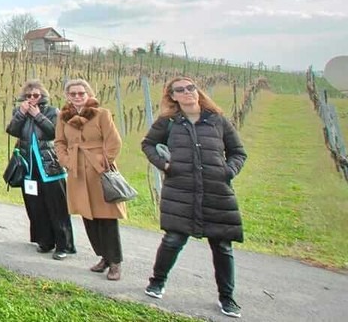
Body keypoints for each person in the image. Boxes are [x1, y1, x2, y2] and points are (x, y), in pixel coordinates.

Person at [142, 77, 248, 318]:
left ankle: (227, 297)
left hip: (216, 190)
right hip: (181, 189)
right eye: (180, 90)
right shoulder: (168, 122)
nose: (188, 92)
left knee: (222, 245)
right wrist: (164, 165)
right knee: (173, 240)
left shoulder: (217, 121)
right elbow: (148, 144)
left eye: (191, 87)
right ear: (173, 96)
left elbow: (238, 152)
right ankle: (157, 282)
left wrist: (227, 171)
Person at [55, 78, 126, 281]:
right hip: (77, 172)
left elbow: (114, 141)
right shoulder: (63, 117)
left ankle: (115, 262)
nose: (77, 97)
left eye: (81, 93)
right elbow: (59, 141)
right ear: (67, 96)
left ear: (88, 94)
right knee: (88, 217)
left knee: (107, 218)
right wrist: (66, 160)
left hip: (99, 172)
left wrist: (103, 161)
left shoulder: (101, 114)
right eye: (73, 94)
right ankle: (103, 256)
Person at [6, 80, 73, 259]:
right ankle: (44, 241)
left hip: (49, 166)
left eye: (35, 95)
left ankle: (63, 245)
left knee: (56, 207)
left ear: (42, 96)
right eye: (28, 96)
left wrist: (38, 116)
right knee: (35, 206)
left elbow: (54, 133)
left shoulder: (53, 112)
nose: (32, 99)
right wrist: (21, 114)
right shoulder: (19, 111)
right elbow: (12, 130)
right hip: (28, 166)